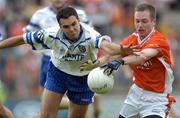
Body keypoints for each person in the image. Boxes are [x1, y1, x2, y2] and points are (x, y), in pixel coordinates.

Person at [0, 6, 136, 118]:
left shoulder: (91, 35)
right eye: (66, 27)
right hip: (58, 74)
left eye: (74, 24)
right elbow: (21, 39)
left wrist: (122, 49)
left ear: (78, 21)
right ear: (60, 27)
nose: (72, 29)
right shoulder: (50, 34)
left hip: (83, 79)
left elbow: (107, 47)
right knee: (46, 116)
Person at [101, 3, 176, 118]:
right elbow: (115, 54)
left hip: (156, 100)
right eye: (137, 21)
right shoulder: (132, 38)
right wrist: (96, 64)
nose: (140, 25)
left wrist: (121, 62)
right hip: (135, 94)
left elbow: (142, 57)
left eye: (144, 21)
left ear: (153, 22)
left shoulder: (159, 40)